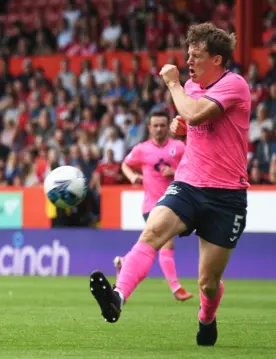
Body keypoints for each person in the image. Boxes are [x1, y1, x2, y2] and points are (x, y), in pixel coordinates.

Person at [88, 23, 250, 347]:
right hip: (188, 184)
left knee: (207, 282)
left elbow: (196, 113)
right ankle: (117, 298)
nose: (188, 61)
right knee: (152, 232)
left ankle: (206, 318)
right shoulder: (191, 86)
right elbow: (194, 121)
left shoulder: (234, 85)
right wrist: (183, 127)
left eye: (196, 55)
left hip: (226, 196)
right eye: (187, 54)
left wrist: (175, 87)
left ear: (216, 59)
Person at [116, 110, 193, 301]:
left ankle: (124, 261)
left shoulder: (179, 147)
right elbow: (125, 164)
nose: (159, 129)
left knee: (153, 245)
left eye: (162, 125)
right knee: (167, 241)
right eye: (155, 126)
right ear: (150, 128)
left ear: (168, 127)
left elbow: (191, 168)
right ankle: (176, 288)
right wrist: (132, 176)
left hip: (173, 204)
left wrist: (174, 172)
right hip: (151, 205)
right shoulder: (142, 149)